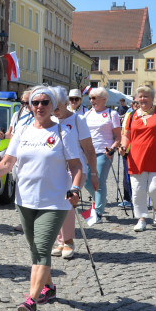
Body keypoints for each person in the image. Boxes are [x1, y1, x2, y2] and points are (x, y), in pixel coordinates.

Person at [0, 85, 84, 311]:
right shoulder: (23, 131)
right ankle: (49, 287)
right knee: (35, 249)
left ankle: (31, 300)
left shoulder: (64, 132)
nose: (39, 106)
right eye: (35, 103)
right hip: (25, 200)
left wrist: (75, 188)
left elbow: (76, 166)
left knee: (42, 249)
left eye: (45, 102)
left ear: (53, 106)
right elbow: (7, 163)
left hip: (54, 200)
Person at [52, 87, 99, 258]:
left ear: (66, 104)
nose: (54, 111)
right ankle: (60, 241)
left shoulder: (78, 120)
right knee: (56, 205)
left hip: (76, 168)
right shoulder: (50, 120)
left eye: (57, 107)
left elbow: (89, 149)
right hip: (55, 168)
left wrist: (94, 174)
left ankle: (69, 241)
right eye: (52, 108)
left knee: (67, 204)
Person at [121, 84, 156, 232]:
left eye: (146, 96)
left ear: (152, 98)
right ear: (137, 98)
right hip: (136, 158)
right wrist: (122, 147)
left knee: (155, 189)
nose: (143, 99)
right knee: (138, 190)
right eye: (140, 96)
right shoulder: (131, 115)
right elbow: (126, 136)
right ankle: (141, 218)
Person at [81, 87, 122, 220]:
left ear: (104, 99)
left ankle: (98, 212)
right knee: (86, 181)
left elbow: (118, 136)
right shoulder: (87, 114)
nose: (91, 100)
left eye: (94, 98)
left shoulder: (112, 114)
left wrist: (113, 149)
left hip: (104, 152)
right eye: (91, 98)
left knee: (98, 181)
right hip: (87, 152)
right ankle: (100, 199)